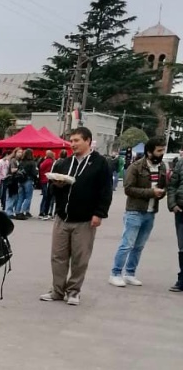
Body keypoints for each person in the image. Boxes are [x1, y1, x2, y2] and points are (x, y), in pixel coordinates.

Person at [40, 127, 112, 306]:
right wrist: (56, 185)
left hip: (85, 220)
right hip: (62, 217)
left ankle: (73, 291)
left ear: (88, 141)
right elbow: (50, 191)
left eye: (76, 140)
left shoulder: (100, 163)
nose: (73, 144)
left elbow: (105, 191)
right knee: (58, 256)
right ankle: (57, 290)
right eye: (71, 141)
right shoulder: (63, 163)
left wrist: (99, 213)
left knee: (80, 258)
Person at [109, 138, 167, 288]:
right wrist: (151, 192)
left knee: (139, 245)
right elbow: (128, 189)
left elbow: (163, 186)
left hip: (151, 212)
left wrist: (162, 192)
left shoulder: (162, 167)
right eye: (159, 150)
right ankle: (115, 273)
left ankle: (130, 273)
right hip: (135, 211)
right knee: (127, 244)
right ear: (149, 152)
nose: (162, 153)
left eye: (163, 150)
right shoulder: (136, 167)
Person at [167, 154, 183, 292]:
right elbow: (172, 185)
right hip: (181, 211)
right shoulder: (181, 163)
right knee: (182, 248)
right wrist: (173, 205)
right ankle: (182, 279)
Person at [14, 149, 39, 220]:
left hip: (21, 180)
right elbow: (34, 173)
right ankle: (23, 211)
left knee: (20, 197)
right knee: (28, 197)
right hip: (28, 180)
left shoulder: (21, 162)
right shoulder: (32, 162)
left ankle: (17, 212)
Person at [5, 148, 24, 218]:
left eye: (21, 152)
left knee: (15, 197)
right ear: (15, 153)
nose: (20, 154)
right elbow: (12, 170)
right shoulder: (13, 160)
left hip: (16, 180)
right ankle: (8, 212)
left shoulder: (18, 161)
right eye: (19, 152)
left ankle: (10, 211)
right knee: (11, 196)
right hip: (12, 180)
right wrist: (19, 170)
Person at [37, 151, 55, 220]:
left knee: (45, 197)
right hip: (47, 180)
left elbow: (41, 168)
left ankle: (42, 211)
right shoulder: (50, 161)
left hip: (43, 179)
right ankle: (44, 212)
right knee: (47, 197)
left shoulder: (45, 161)